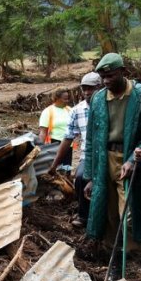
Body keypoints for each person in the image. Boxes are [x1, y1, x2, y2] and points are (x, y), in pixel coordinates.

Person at [83, 52, 141, 281]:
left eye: (110, 76)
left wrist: (133, 159)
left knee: (128, 220)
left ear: (123, 72)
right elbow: (91, 139)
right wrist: (90, 176)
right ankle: (116, 272)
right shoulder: (98, 99)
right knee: (108, 218)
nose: (106, 81)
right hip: (103, 161)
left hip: (130, 163)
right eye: (103, 77)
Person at [48, 72, 101, 228]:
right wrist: (54, 164)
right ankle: (84, 215)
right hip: (88, 154)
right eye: (84, 89)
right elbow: (68, 138)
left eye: (91, 89)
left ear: (100, 87)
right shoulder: (77, 111)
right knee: (80, 178)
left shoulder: (110, 106)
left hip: (110, 153)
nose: (87, 92)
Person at [39, 88, 73, 170]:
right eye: (65, 99)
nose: (67, 101)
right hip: (54, 144)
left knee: (66, 169)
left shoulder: (70, 110)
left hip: (68, 144)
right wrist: (39, 148)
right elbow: (43, 132)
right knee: (55, 169)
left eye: (68, 98)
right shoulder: (48, 111)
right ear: (57, 99)